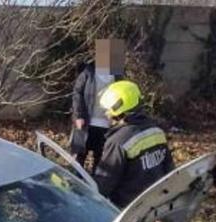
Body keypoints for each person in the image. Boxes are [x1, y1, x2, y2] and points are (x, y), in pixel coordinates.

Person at [92, 80, 174, 208]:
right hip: (148, 205)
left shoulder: (118, 141)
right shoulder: (156, 131)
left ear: (118, 109)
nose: (106, 114)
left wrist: (90, 199)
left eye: (107, 110)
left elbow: (105, 181)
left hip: (123, 209)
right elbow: (168, 167)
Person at [71, 62, 117, 171]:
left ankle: (95, 182)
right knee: (79, 156)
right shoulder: (88, 72)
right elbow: (77, 93)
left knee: (101, 158)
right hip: (86, 123)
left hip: (107, 125)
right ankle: (75, 180)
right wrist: (78, 115)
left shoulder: (118, 76)